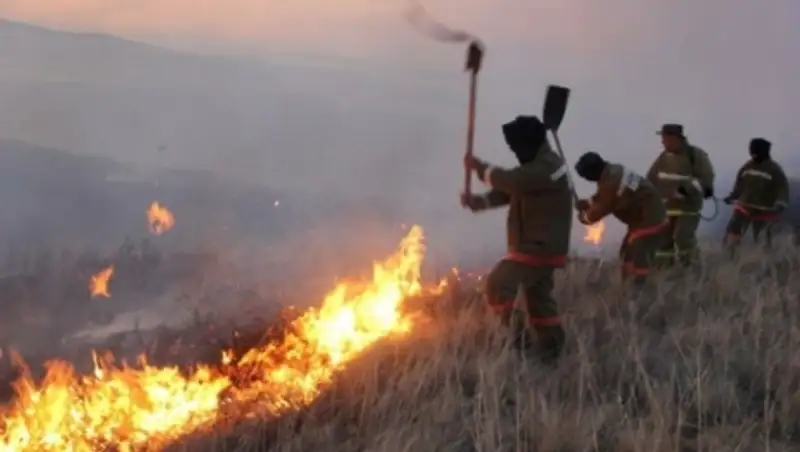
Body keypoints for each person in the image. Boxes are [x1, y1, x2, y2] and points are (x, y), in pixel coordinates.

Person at [461, 115, 572, 363]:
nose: (514, 151)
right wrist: (479, 202)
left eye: (515, 146)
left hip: (538, 247)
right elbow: (511, 190)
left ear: (527, 143)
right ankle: (552, 351)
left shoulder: (548, 167)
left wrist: (478, 167)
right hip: (538, 245)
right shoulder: (539, 165)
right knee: (539, 302)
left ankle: (520, 343)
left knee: (499, 284)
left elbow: (512, 181)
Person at [573, 152, 668, 288]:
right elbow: (606, 195)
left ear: (592, 173)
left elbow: (599, 211)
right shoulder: (614, 170)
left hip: (649, 219)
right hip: (643, 216)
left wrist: (583, 217)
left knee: (637, 256)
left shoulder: (611, 183)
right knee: (626, 253)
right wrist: (587, 203)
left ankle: (639, 290)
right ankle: (627, 284)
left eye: (586, 177)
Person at [646, 124, 715, 267]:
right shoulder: (663, 158)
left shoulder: (695, 155)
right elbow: (651, 180)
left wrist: (684, 191)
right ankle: (664, 272)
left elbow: (706, 178)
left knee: (682, 237)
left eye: (665, 138)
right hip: (666, 208)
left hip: (687, 207)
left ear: (675, 138)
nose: (662, 142)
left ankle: (693, 269)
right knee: (663, 241)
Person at [722, 138, 789, 249]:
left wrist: (780, 203)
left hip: (765, 210)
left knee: (762, 240)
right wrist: (732, 196)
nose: (753, 155)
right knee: (733, 229)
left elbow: (782, 189)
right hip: (744, 207)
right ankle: (730, 254)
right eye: (752, 152)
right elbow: (739, 184)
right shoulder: (747, 167)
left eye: (756, 152)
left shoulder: (774, 170)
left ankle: (764, 260)